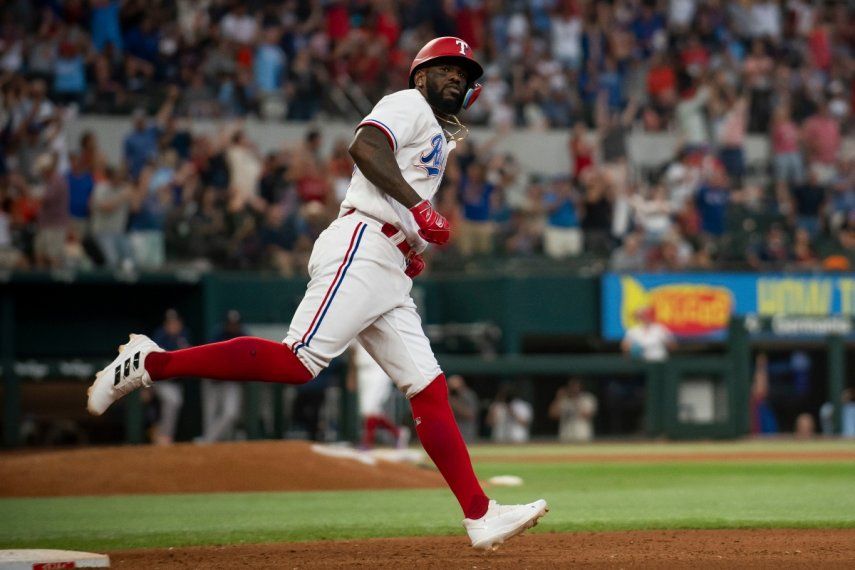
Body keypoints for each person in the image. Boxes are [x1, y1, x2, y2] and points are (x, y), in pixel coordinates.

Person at [87, 37, 547, 550]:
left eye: (464, 72)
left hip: (387, 262)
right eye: (445, 68)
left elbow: (391, 184)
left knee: (428, 388)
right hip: (363, 244)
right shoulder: (408, 103)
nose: (456, 76)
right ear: (420, 76)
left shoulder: (435, 131)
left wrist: (410, 243)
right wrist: (417, 211)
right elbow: (365, 147)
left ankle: (480, 515)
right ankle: (153, 363)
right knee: (297, 362)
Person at [348, 342, 409, 450]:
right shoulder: (351, 327)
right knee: (368, 411)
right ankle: (398, 432)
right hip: (361, 371)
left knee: (369, 409)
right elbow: (352, 351)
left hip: (378, 369)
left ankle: (367, 443)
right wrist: (352, 374)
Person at [197, 310, 246, 444]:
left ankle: (207, 440)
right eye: (230, 324)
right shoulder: (217, 335)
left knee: (231, 413)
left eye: (235, 324)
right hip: (212, 380)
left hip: (230, 381)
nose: (233, 327)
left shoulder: (244, 336)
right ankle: (209, 445)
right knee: (210, 416)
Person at [149, 309, 191, 445]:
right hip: (159, 380)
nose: (173, 325)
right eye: (170, 323)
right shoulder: (159, 336)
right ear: (165, 325)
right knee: (173, 401)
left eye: (175, 322)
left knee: (172, 404)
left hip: (176, 382)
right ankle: (164, 436)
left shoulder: (184, 335)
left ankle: (162, 435)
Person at [549, 378, 598, 443]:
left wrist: (575, 401)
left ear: (581, 387)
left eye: (576, 386)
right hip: (566, 436)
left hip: (582, 436)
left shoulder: (587, 398)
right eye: (572, 386)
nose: (574, 389)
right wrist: (558, 398)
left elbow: (587, 415)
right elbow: (552, 414)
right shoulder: (564, 399)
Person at [448, 374, 479, 443]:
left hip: (466, 434)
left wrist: (453, 403)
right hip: (451, 434)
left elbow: (471, 414)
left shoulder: (468, 395)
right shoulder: (447, 396)